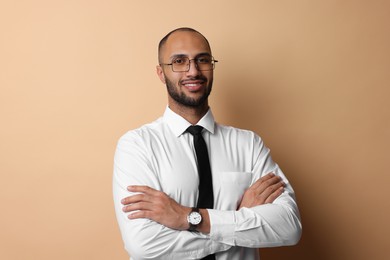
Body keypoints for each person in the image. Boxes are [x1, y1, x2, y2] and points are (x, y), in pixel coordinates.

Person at [113, 27, 302, 260]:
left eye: (202, 60)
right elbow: (144, 245)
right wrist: (237, 221)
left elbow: (288, 227)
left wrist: (188, 218)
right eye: (179, 61)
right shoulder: (137, 145)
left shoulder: (249, 144)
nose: (193, 71)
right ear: (161, 73)